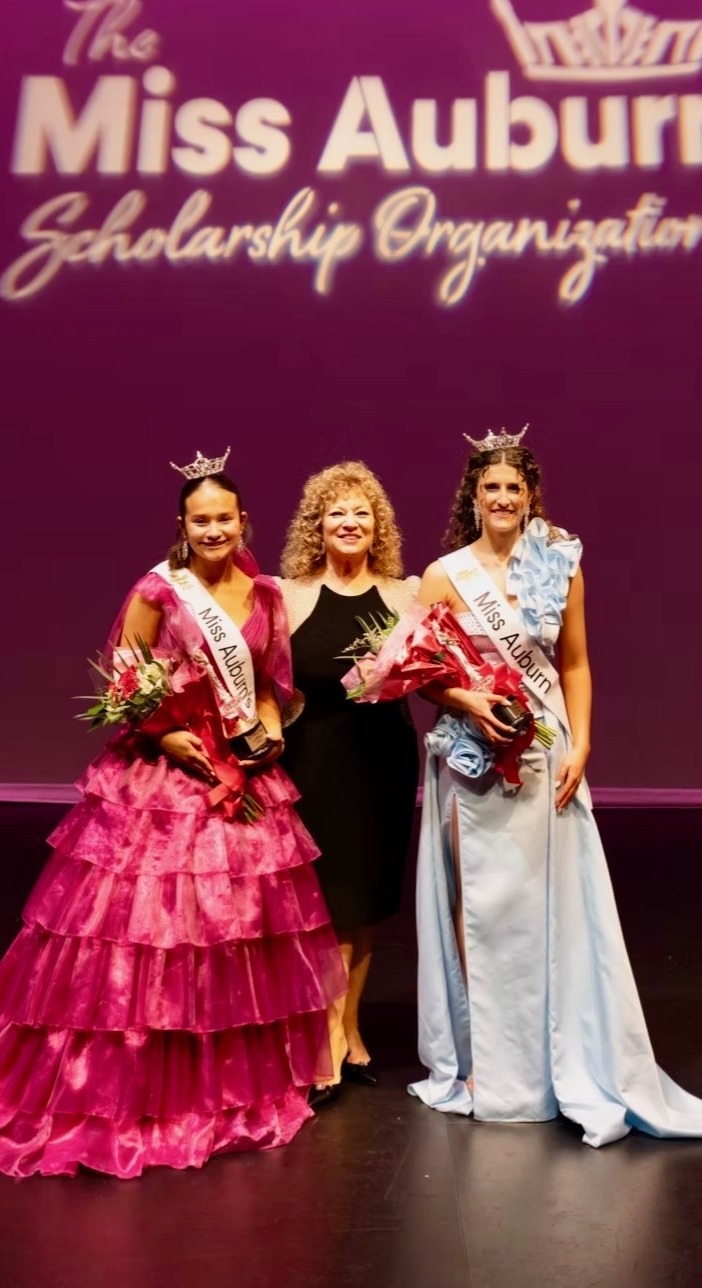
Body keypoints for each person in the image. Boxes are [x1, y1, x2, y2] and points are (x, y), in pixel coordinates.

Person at [0, 455, 346, 1175]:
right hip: (164, 775)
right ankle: (130, 1079)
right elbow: (125, 679)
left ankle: (217, 1079)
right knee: (148, 937)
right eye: (200, 519)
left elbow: (272, 683)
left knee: (228, 933)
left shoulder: (265, 594)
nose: (214, 528)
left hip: (240, 770)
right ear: (182, 527)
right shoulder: (158, 591)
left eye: (225, 518)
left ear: (243, 521)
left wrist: (271, 726)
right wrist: (167, 734)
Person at [409, 428, 702, 1146]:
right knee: (482, 909)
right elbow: (421, 670)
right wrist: (466, 704)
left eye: (512, 488)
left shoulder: (559, 563)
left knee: (550, 906)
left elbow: (576, 663)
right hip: (467, 755)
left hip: (545, 748)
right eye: (488, 487)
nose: (501, 498)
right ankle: (488, 1066)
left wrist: (580, 740)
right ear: (473, 495)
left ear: (529, 496)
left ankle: (562, 1056)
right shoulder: (441, 575)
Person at [277, 462, 419, 1100]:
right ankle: (328, 1037)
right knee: (327, 907)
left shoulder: (407, 594)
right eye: (337, 511)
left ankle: (350, 1029)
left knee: (365, 905)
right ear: (318, 524)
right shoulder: (286, 594)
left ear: (377, 523)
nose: (350, 522)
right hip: (315, 760)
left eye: (362, 511)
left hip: (383, 762)